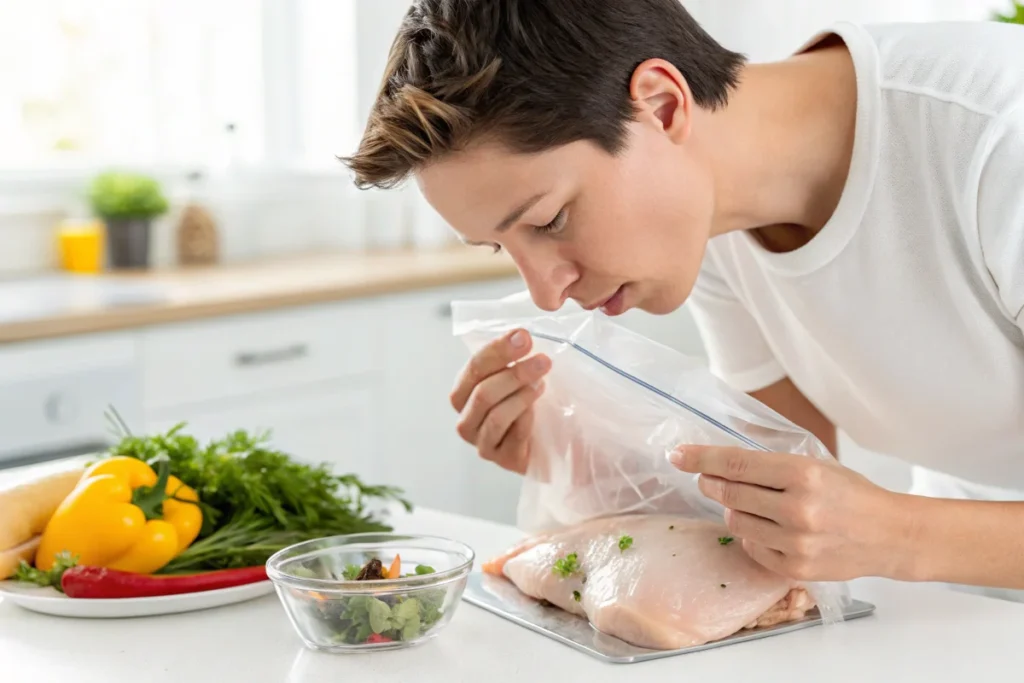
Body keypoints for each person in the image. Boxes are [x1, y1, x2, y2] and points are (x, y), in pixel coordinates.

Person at [341, 0, 1024, 601]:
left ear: (662, 105)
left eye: (549, 220)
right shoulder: (714, 221)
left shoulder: (999, 134)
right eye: (502, 245)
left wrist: (896, 532)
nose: (547, 294)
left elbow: (872, 532)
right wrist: (574, 461)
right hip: (965, 599)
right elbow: (778, 499)